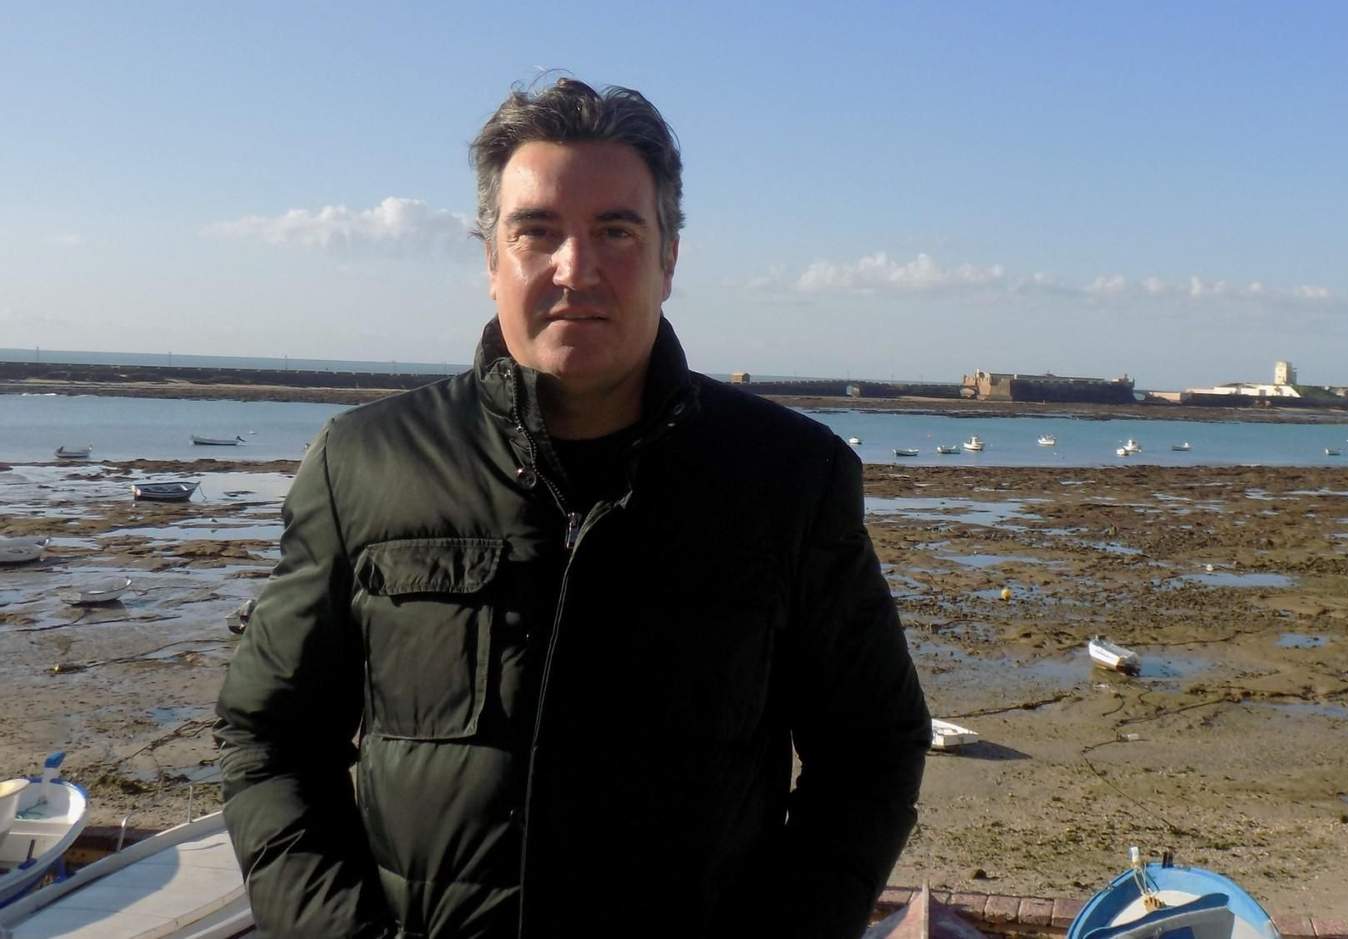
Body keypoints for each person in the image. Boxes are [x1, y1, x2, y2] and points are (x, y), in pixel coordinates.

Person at [214, 77, 931, 938]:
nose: (575, 268)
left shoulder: (789, 477)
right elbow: (270, 736)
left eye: (616, 231)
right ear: (491, 259)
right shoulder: (364, 463)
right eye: (537, 231)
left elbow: (873, 747)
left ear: (669, 257)